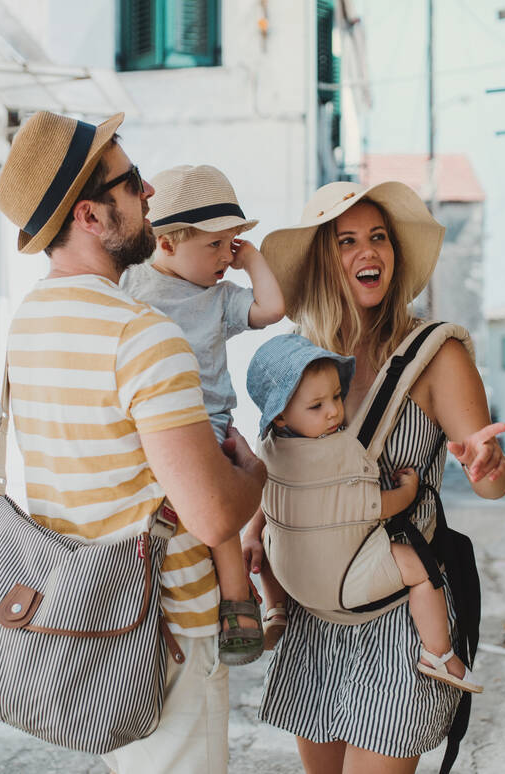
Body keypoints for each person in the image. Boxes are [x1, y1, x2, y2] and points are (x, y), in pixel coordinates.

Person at [0, 110, 266, 774]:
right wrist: (255, 474)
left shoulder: (29, 321)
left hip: (83, 615)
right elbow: (213, 513)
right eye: (132, 181)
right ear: (90, 217)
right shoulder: (144, 336)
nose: (149, 195)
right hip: (166, 625)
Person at [242, 180, 505, 773]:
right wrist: (257, 527)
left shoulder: (437, 354)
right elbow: (286, 463)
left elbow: (493, 481)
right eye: (347, 241)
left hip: (399, 608)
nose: (369, 252)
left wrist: (485, 465)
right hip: (316, 607)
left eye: (379, 238)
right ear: (321, 259)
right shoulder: (297, 356)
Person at [245, 333, 483, 693]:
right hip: (344, 581)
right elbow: (373, 507)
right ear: (280, 416)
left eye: (337, 397)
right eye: (317, 406)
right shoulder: (337, 454)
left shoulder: (268, 448)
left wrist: (251, 533)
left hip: (292, 579)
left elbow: (265, 498)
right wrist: (407, 492)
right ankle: (438, 653)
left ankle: (275, 609)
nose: (334, 412)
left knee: (270, 536)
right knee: (421, 569)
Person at [121, 164, 286, 665]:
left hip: (209, 424)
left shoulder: (219, 298)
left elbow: (273, 308)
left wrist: (251, 256)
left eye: (231, 243)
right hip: (150, 423)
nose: (224, 256)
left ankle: (238, 601)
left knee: (217, 523)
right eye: (214, 245)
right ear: (167, 243)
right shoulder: (133, 283)